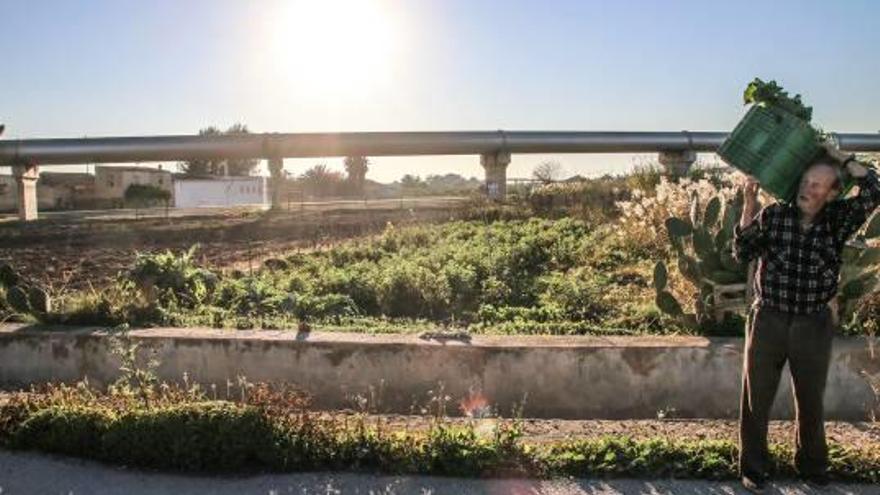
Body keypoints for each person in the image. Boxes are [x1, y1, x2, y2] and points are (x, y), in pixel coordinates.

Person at [732, 141, 880, 492]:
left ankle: (812, 468)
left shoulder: (839, 220)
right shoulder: (774, 215)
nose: (806, 187)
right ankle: (753, 468)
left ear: (831, 194)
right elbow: (742, 252)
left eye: (817, 184)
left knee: (811, 399)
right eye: (805, 181)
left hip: (812, 323)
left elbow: (875, 188)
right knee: (756, 398)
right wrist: (749, 206)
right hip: (768, 318)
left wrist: (841, 157)